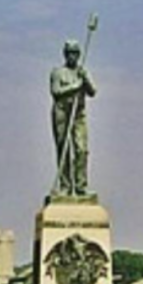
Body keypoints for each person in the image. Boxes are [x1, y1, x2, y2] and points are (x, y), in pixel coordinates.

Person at [50, 39, 97, 195]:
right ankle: (66, 186)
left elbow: (93, 92)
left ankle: (81, 185)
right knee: (64, 148)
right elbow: (56, 91)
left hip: (78, 113)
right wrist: (75, 86)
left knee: (81, 149)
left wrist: (86, 79)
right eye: (70, 53)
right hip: (62, 111)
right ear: (65, 54)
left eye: (75, 53)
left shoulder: (82, 71)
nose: (73, 56)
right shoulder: (57, 72)